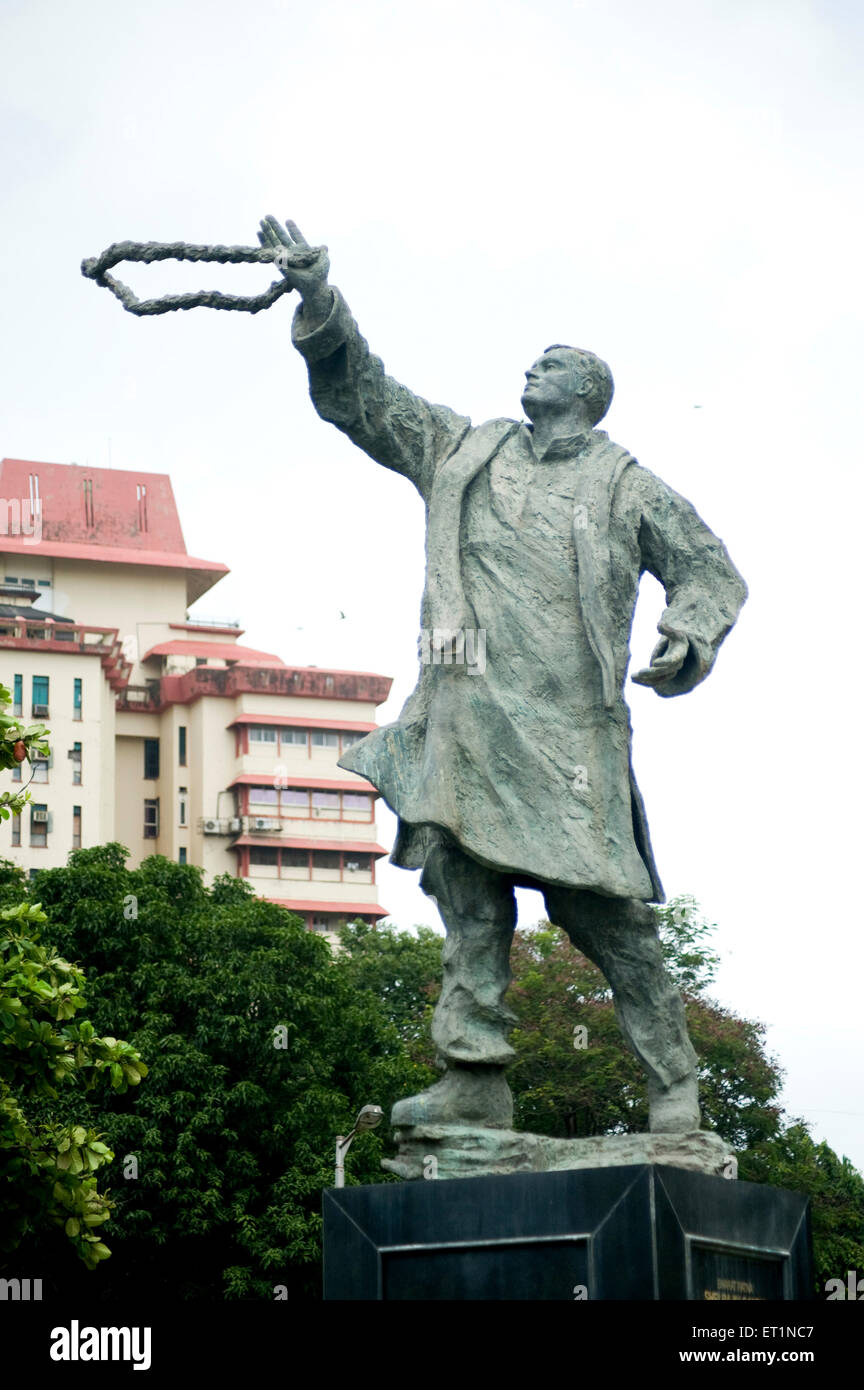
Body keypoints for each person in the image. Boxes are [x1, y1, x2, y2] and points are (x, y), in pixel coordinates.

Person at [259, 215, 748, 1134]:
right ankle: (472, 1074)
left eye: (551, 363)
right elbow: (366, 397)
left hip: (568, 732)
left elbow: (711, 569)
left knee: (606, 917)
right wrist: (320, 300)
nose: (531, 370)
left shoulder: (626, 485)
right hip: (463, 710)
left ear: (588, 393)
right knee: (467, 898)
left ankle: (674, 1086)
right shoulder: (463, 449)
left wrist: (689, 632)